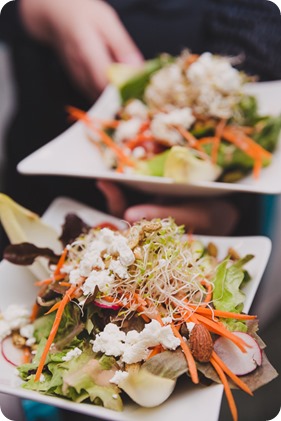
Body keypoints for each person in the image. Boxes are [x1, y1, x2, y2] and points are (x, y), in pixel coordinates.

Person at [0, 1, 281, 421]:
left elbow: (265, 22)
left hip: (216, 208)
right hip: (47, 182)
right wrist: (39, 9)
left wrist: (221, 194)